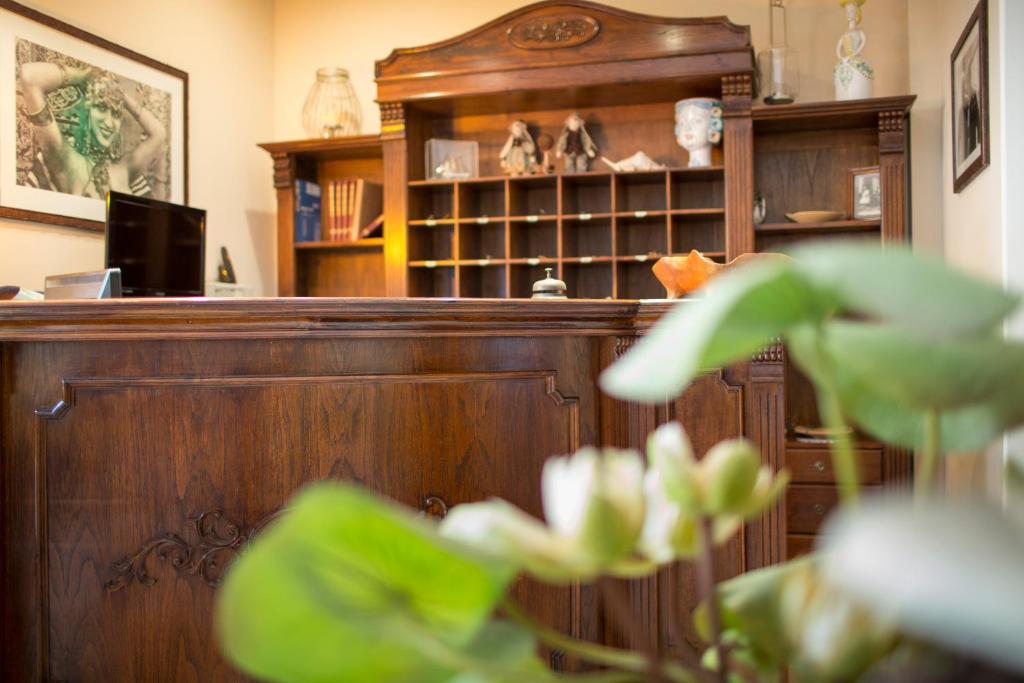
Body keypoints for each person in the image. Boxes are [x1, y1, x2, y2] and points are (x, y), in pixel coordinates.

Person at [18, 62, 167, 199]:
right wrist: (86, 75)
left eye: (116, 114)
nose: (109, 123)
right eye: (101, 108)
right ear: (86, 112)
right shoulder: (66, 159)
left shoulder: (125, 168)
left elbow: (159, 134)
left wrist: (120, 94)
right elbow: (30, 77)